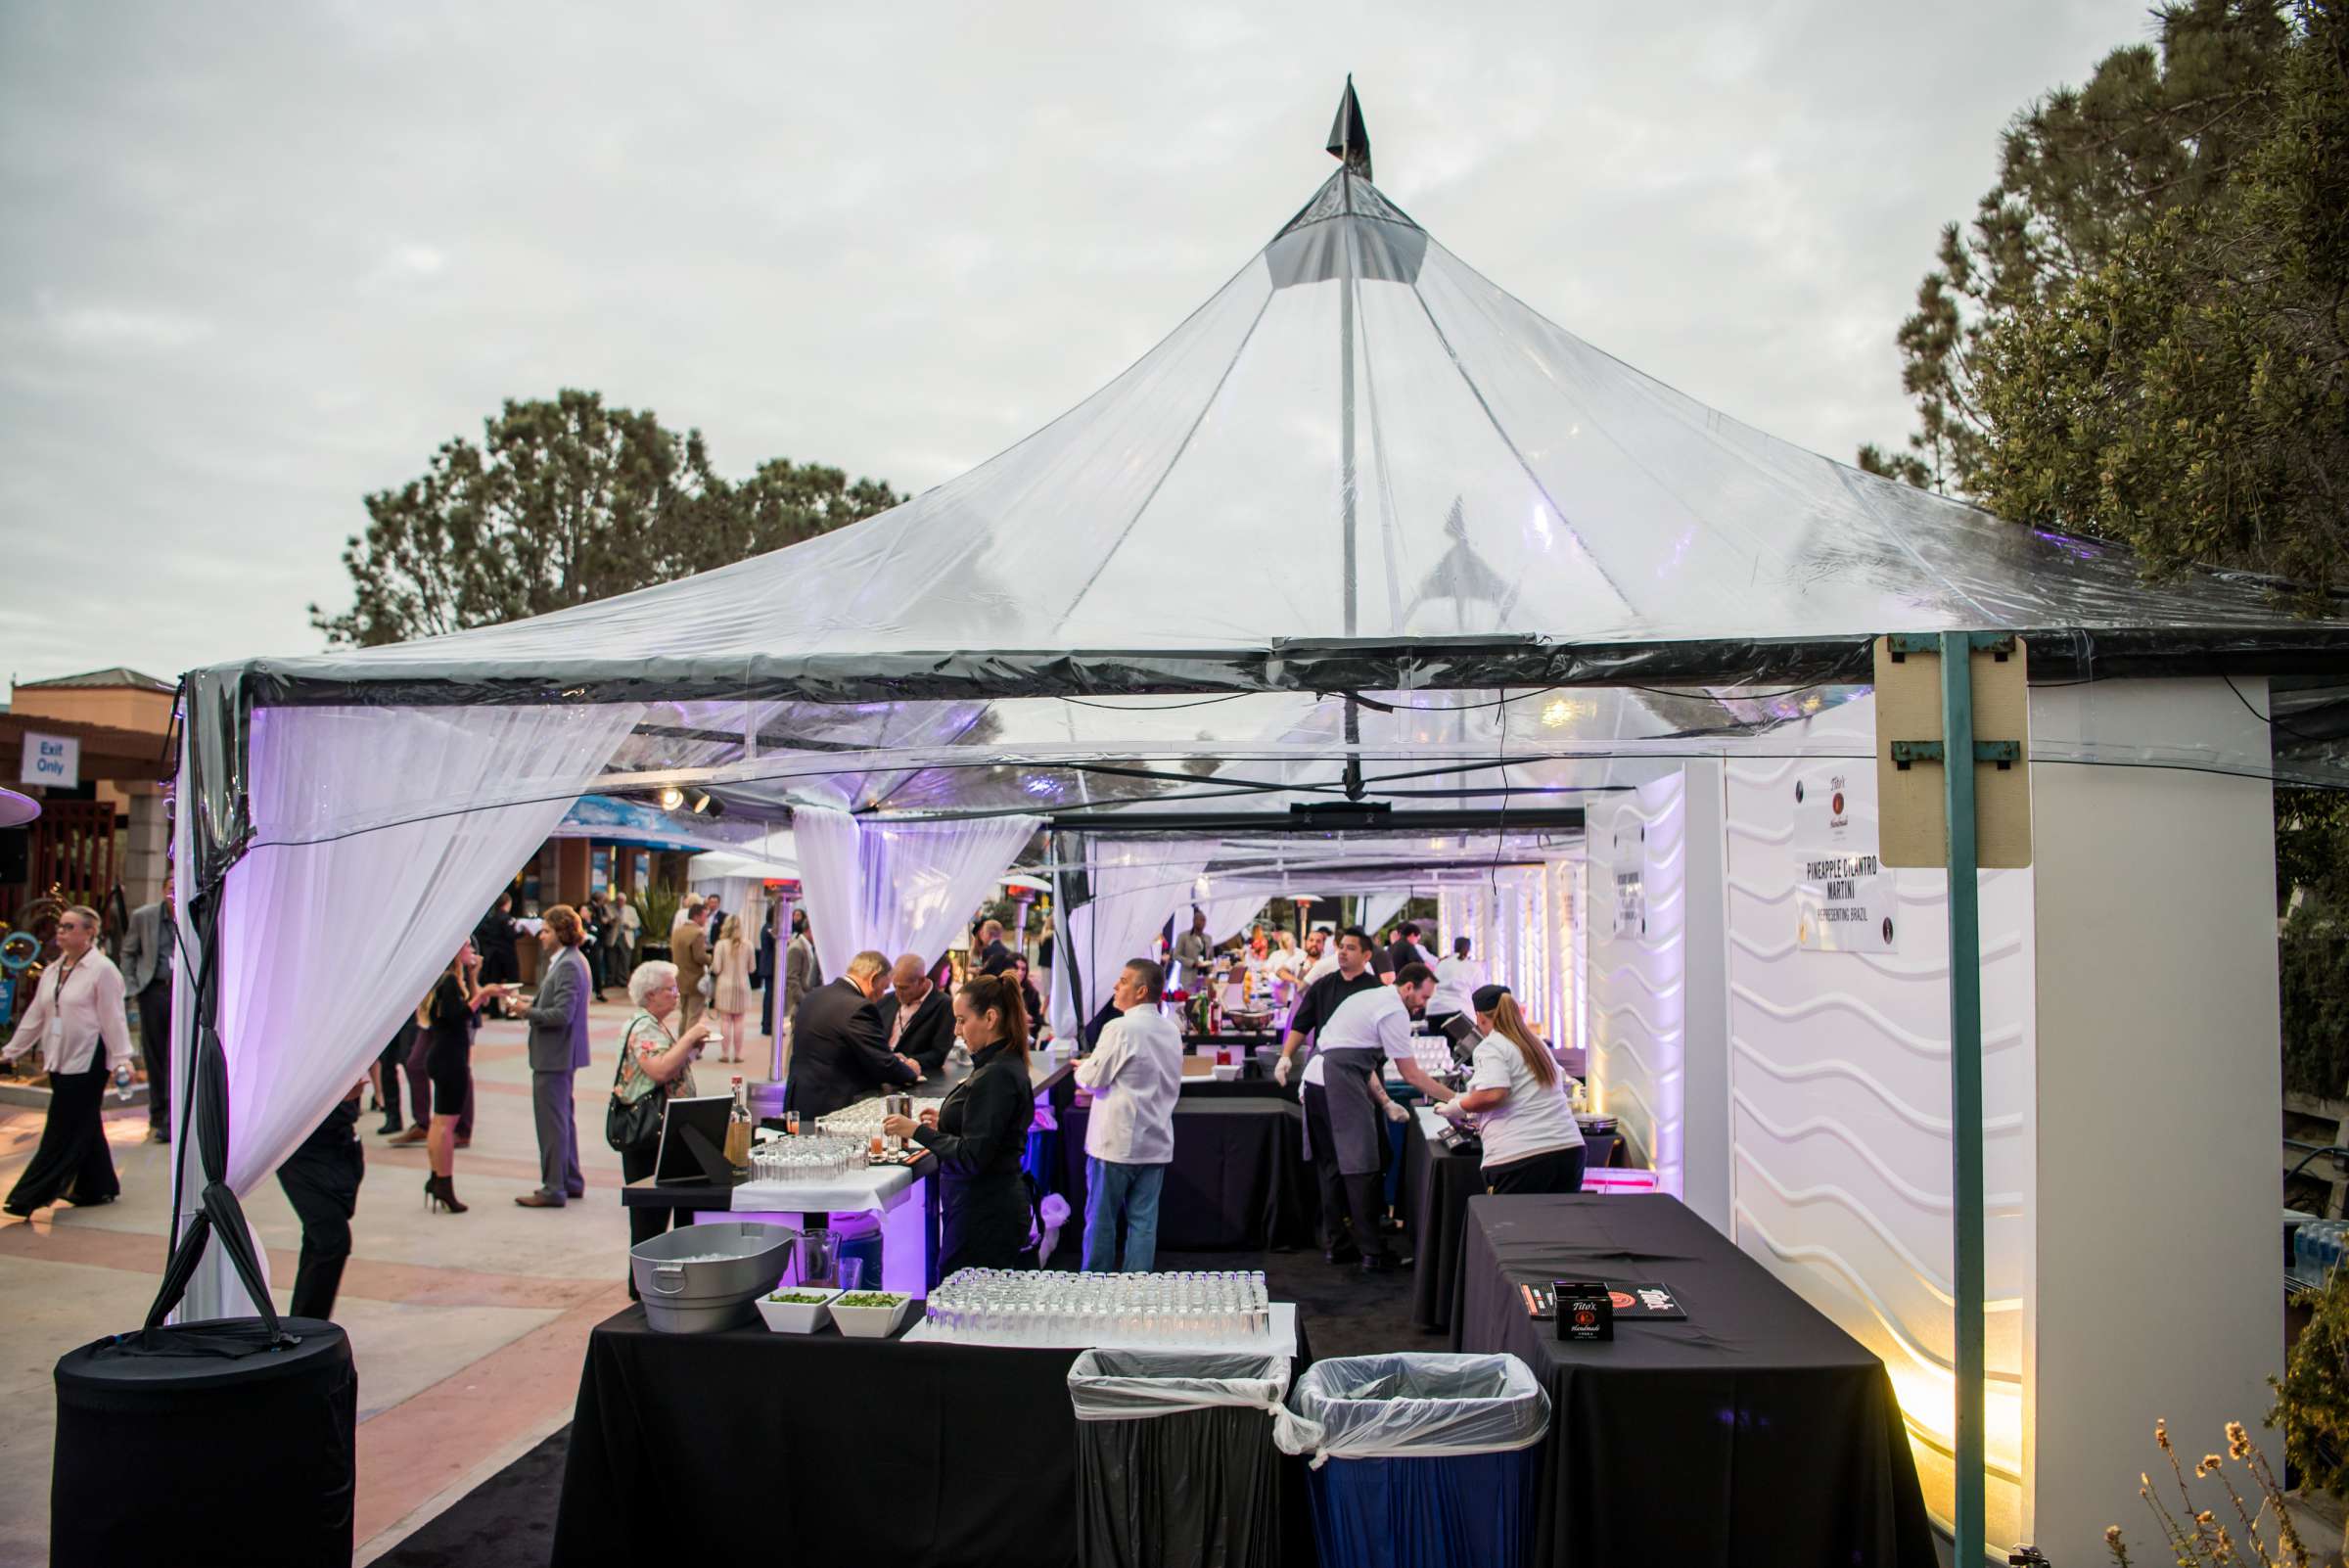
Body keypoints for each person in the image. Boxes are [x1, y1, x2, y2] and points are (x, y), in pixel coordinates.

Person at [1274, 932, 1447, 1272]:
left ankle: (1337, 1246)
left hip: (1315, 1079)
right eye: (1423, 997)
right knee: (1362, 1166)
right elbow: (1411, 1074)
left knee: (1330, 1167)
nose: (1423, 1006)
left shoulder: (1370, 997)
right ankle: (1373, 1253)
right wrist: (1458, 1100)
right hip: (1338, 1082)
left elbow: (1352, 1055)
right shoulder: (1393, 1010)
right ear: (1408, 987)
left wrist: (1384, 1103)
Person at [883, 972, 1036, 1273]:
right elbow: (989, 1133)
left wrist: (917, 1131)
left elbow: (972, 1156)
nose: (957, 1030)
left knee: (966, 1307)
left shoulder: (997, 1074)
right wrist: (948, 1123)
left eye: (962, 1020)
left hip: (985, 1213)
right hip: (983, 1208)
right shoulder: (999, 1065)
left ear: (990, 1018)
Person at [1, 905, 133, 1216]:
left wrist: (122, 1059)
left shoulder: (103, 970)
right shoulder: (52, 970)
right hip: (60, 1058)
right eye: (60, 926)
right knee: (83, 1121)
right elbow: (35, 1016)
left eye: (69, 927)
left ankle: (30, 1194)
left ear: (89, 932)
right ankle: (98, 1185)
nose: (61, 931)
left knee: (62, 1125)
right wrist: (10, 1051)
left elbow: (113, 1018)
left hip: (88, 1059)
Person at [1075, 959, 1181, 1271]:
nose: (1115, 986)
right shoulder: (1171, 1030)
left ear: (1141, 991)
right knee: (1144, 1224)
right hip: (1155, 1140)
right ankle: (1137, 1295)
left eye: (1122, 981)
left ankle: (1096, 1293)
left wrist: (1082, 1068)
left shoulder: (1119, 1028)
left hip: (1115, 1143)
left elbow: (1093, 1079)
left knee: (1101, 1223)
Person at [611, 961, 715, 1273]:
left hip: (662, 1128)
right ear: (651, 994)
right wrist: (688, 1037)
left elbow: (670, 1065)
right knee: (649, 1218)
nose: (676, 994)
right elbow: (659, 1070)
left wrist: (690, 1048)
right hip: (648, 1132)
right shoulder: (643, 1026)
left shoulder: (653, 1023)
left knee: (656, 1213)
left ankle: (650, 1280)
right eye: (670, 989)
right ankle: (643, 1285)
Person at [1434, 985, 1587, 1194]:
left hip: (1521, 1155)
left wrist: (1457, 1106)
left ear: (1479, 1017)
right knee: (1558, 1225)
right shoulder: (1537, 1044)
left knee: (1513, 1225)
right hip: (1569, 1149)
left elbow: (1493, 1094)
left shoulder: (1491, 1046)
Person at [420, 943, 509, 1213]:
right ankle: (443, 1183)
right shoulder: (447, 981)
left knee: (440, 1122)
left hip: (444, 1055)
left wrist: (474, 979)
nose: (472, 949)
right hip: (449, 1057)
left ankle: (437, 1178)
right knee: (446, 1125)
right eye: (467, 946)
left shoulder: (447, 978)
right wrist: (483, 996)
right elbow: (456, 1016)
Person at [518, 904, 593, 1209]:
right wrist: (530, 1002)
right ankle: (569, 1180)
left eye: (546, 930)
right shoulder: (567, 961)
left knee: (552, 1124)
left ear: (561, 933)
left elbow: (561, 1014)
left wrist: (527, 1011)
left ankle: (553, 1187)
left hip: (554, 1055)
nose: (541, 936)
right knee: (562, 1121)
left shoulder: (568, 965)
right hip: (560, 1054)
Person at [785, 950, 920, 1121]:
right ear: (873, 979)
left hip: (801, 1101)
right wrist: (911, 1071)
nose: (882, 997)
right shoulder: (858, 1008)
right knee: (828, 1147)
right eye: (884, 988)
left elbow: (836, 1048)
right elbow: (883, 1064)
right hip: (832, 1107)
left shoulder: (815, 996)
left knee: (803, 1144)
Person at [275, 1082, 365, 1318]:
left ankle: (306, 1323)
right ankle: (309, 1326)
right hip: (300, 1147)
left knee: (321, 1242)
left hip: (337, 1144)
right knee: (332, 1240)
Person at [119, 872, 177, 1144]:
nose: (174, 894)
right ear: (162, 890)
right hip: (153, 989)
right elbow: (128, 951)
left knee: (175, 1055)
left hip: (181, 992)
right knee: (154, 1053)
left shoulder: (194, 911)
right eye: (170, 888)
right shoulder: (145, 916)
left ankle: (172, 1116)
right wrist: (132, 986)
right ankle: (158, 1114)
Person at [876, 952, 955, 1076]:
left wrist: (905, 1062)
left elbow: (939, 1054)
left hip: (916, 1078)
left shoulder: (944, 1005)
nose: (898, 993)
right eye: (895, 986)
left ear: (922, 981)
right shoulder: (886, 1000)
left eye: (903, 988)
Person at [710, 914, 754, 1064]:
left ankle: (724, 1053)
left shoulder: (720, 945)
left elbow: (716, 968)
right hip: (743, 985)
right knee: (740, 1020)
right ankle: (738, 1054)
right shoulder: (748, 945)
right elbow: (752, 969)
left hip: (724, 986)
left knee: (726, 1020)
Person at [1427, 937, 1482, 1038]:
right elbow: (1479, 993)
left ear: (1454, 947)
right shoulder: (1472, 966)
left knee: (1439, 1049)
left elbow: (1432, 986)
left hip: (1433, 1011)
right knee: (1465, 1048)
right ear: (1469, 949)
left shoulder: (1442, 964)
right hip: (1458, 1012)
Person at [670, 900, 711, 1031]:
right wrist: (712, 959)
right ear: (696, 916)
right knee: (694, 1015)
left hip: (679, 978)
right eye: (705, 916)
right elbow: (699, 956)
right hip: (695, 979)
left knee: (684, 1013)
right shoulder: (697, 933)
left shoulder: (677, 932)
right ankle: (689, 1047)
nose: (706, 919)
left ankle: (681, 1044)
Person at [475, 893, 522, 987]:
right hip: (506, 956)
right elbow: (511, 934)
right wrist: (523, 932)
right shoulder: (507, 919)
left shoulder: (491, 918)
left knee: (493, 982)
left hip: (492, 956)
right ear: (508, 903)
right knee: (512, 982)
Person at [784, 909, 821, 1023]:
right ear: (810, 930)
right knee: (796, 1038)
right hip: (799, 1005)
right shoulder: (796, 948)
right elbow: (792, 978)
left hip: (807, 1001)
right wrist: (804, 1000)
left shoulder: (808, 947)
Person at [1171, 908, 1211, 989]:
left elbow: (1210, 956)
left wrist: (1210, 965)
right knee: (1189, 999)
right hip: (1188, 976)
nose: (1201, 922)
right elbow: (1176, 955)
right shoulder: (1183, 936)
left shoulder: (1208, 938)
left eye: (1203, 920)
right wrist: (1192, 963)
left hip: (1204, 977)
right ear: (1194, 921)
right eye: (1199, 919)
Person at [1011, 955, 1045, 1040]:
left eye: (1023, 969)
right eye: (1016, 968)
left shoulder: (1032, 992)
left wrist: (1031, 1018)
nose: (1020, 973)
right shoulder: (1001, 990)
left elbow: (1039, 1020)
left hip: (1027, 1040)